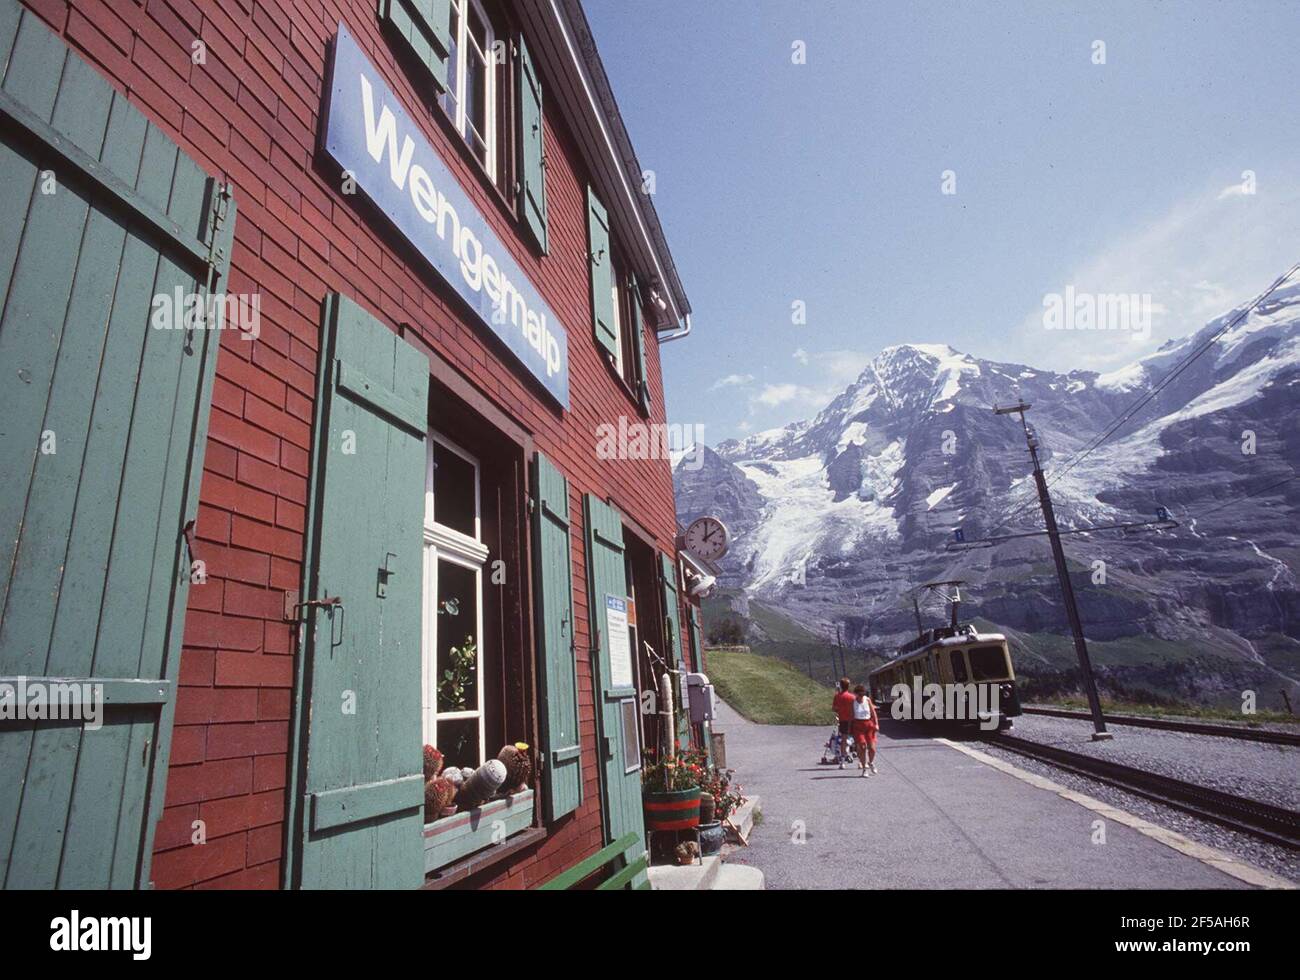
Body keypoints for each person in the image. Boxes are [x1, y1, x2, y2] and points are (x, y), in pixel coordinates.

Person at [851, 684, 880, 776]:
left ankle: (871, 762)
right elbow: (851, 715)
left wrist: (876, 724)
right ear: (856, 694)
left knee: (872, 748)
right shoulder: (853, 702)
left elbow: (873, 712)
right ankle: (864, 768)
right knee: (862, 746)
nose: (861, 696)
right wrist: (850, 728)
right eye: (859, 695)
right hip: (858, 725)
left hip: (868, 725)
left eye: (862, 694)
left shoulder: (867, 700)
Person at [832, 677, 856, 769]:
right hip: (853, 720)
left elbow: (834, 708)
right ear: (848, 686)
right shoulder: (852, 697)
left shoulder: (837, 696)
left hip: (843, 720)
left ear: (841, 686)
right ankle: (859, 758)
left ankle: (842, 762)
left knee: (843, 740)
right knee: (857, 738)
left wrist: (840, 710)